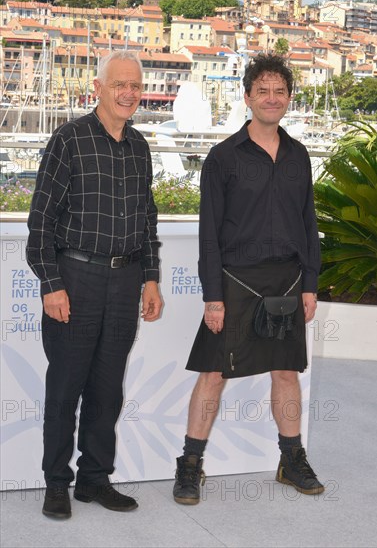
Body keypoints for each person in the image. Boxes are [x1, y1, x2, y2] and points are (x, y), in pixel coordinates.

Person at [173, 54, 323, 505]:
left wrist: (310, 284)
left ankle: (290, 459)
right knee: (214, 374)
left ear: (289, 98)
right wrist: (212, 298)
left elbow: (307, 222)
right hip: (235, 282)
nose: (272, 98)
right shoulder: (222, 159)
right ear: (247, 97)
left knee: (286, 372)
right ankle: (189, 465)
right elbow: (209, 235)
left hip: (288, 282)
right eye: (263, 91)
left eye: (280, 91)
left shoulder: (299, 157)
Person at [26, 50, 162, 519]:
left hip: (126, 281)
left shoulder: (140, 146)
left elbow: (147, 219)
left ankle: (94, 479)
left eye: (135, 86)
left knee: (108, 388)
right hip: (76, 278)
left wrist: (150, 279)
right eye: (120, 84)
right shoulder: (69, 139)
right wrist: (51, 283)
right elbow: (40, 220)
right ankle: (56, 484)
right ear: (98, 89)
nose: (129, 93)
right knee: (66, 387)